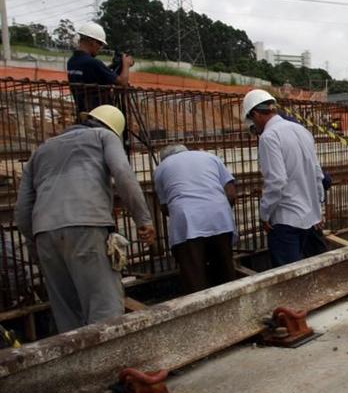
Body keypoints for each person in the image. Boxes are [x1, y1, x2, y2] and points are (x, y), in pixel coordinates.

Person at [15, 105, 155, 332]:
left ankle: (80, 366)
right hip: (88, 226)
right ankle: (111, 365)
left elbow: (22, 212)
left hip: (44, 234)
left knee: (67, 315)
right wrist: (143, 220)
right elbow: (122, 173)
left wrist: (37, 244)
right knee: (104, 310)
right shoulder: (104, 136)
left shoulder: (41, 150)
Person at [242, 89, 328, 268]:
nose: (254, 126)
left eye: (252, 120)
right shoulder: (302, 131)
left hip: (285, 220)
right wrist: (318, 208)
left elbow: (276, 181)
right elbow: (317, 173)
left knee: (287, 277)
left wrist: (264, 214)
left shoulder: (269, 137)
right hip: (308, 218)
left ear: (256, 114)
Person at [154, 144, 238, 294]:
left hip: (187, 223)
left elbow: (165, 207)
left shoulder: (161, 168)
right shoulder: (210, 156)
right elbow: (231, 194)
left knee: (195, 279)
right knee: (225, 273)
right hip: (220, 217)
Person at [67, 22, 133, 115]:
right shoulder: (93, 63)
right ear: (92, 42)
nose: (100, 48)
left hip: (83, 112)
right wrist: (126, 64)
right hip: (100, 115)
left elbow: (95, 74)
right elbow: (122, 82)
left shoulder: (72, 61)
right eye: (100, 43)